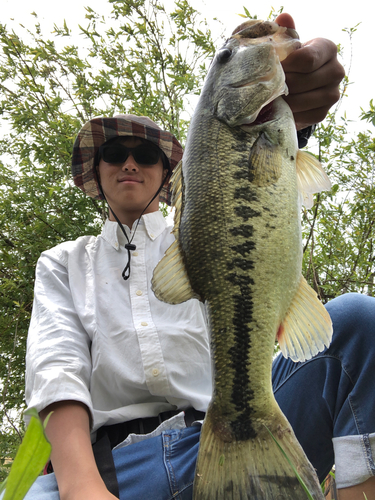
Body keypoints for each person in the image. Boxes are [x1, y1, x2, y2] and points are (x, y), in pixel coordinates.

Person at [19, 13, 375, 500]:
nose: (129, 162)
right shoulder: (60, 263)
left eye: (145, 155)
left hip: (222, 431)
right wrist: (83, 487)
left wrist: (297, 118)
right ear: (96, 173)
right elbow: (56, 369)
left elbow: (248, 204)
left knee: (359, 321)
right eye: (115, 153)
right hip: (114, 469)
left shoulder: (195, 233)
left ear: (169, 172)